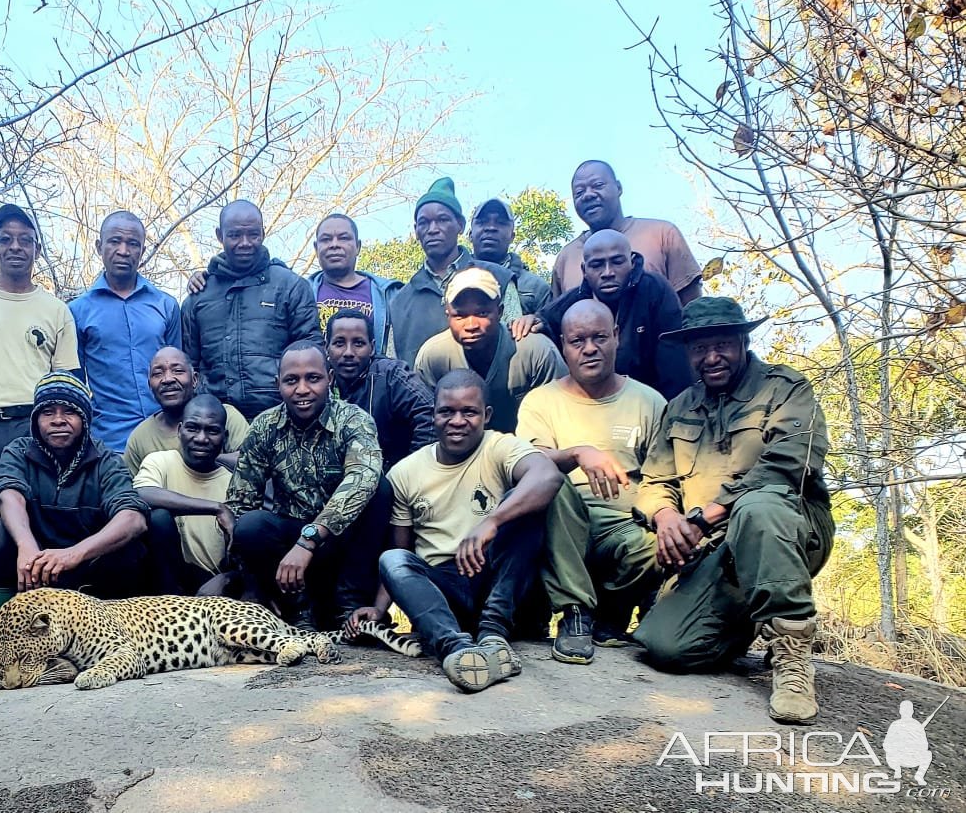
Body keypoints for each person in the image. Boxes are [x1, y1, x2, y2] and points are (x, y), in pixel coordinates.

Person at [633, 298, 833, 725]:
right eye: (699, 348)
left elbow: (790, 463)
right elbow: (654, 482)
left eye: (722, 344)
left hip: (789, 527)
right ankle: (745, 623)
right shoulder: (681, 406)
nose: (711, 357)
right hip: (716, 549)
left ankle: (793, 663)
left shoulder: (785, 388)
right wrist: (668, 519)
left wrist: (706, 514)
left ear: (743, 341)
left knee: (757, 507)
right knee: (665, 646)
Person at [350, 370, 565, 693]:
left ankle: (494, 635)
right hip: (445, 590)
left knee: (524, 510)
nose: (457, 420)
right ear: (433, 415)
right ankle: (457, 649)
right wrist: (379, 608)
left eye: (469, 412)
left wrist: (491, 522)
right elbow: (401, 554)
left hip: (495, 578)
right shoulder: (406, 472)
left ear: (486, 415)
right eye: (446, 411)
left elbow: (548, 475)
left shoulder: (499, 447)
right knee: (392, 558)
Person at [0, 372, 150, 680]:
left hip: (89, 579)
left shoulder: (106, 460)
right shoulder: (18, 451)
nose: (58, 420)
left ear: (85, 419)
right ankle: (1, 648)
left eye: (69, 412)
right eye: (48, 412)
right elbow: (8, 494)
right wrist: (26, 546)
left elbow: (134, 517)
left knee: (131, 543)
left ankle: (117, 644)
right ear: (35, 420)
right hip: (34, 572)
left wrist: (75, 553)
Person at [517, 300, 667, 663]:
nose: (589, 348)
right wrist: (578, 453)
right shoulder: (540, 402)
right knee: (549, 483)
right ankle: (575, 613)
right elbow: (525, 464)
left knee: (657, 543)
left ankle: (613, 612)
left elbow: (665, 476)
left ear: (616, 337)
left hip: (625, 520)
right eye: (577, 340)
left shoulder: (649, 402)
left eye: (599, 337)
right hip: (565, 520)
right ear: (564, 346)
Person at [226, 341, 388, 629]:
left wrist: (309, 539)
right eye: (292, 380)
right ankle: (297, 611)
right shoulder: (264, 427)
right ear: (278, 385)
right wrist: (249, 580)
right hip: (289, 554)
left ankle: (348, 606)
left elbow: (363, 478)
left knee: (379, 489)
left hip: (339, 545)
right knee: (251, 525)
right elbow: (240, 502)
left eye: (312, 378)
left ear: (330, 379)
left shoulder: (353, 420)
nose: (302, 389)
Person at [0, 203, 80, 535]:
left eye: (25, 240)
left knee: (36, 520)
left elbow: (67, 382)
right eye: (5, 239)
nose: (15, 247)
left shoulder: (56, 310)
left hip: (34, 428)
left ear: (36, 249)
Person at [180, 200, 320, 419]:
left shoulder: (291, 286)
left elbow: (313, 354)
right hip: (216, 424)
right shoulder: (199, 296)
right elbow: (189, 365)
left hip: (281, 417)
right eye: (235, 235)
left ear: (263, 233)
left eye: (253, 235)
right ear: (220, 235)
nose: (244, 243)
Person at [69, 211, 181, 453]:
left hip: (167, 438)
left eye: (133, 243)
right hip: (109, 441)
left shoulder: (166, 305)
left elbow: (181, 375)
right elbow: (75, 383)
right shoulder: (77, 311)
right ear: (99, 247)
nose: (123, 250)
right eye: (114, 241)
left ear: (141, 250)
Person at [537, 229, 693, 399]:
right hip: (590, 404)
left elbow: (675, 364)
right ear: (584, 270)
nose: (608, 273)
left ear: (632, 262)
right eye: (597, 265)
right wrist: (532, 322)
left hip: (651, 402)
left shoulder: (655, 290)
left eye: (617, 262)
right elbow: (543, 321)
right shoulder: (572, 302)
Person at [414, 267, 564, 433]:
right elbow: (426, 426)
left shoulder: (535, 350)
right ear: (447, 315)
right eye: (460, 316)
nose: (471, 325)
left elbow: (561, 416)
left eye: (482, 313)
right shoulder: (433, 356)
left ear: (500, 312)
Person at [388, 178, 521, 361]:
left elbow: (518, 347)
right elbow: (393, 367)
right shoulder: (400, 301)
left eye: (442, 220)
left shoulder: (499, 278)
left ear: (460, 225)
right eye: (424, 223)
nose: (433, 229)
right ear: (416, 231)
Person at [552, 160, 703, 305]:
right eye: (579, 192)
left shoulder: (661, 235)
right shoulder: (566, 257)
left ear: (618, 188)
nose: (588, 195)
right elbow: (554, 320)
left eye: (598, 185)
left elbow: (693, 309)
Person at [133, 394, 236, 595]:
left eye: (212, 431)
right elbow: (141, 494)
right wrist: (216, 508)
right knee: (158, 518)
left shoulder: (234, 480)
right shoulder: (161, 461)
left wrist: (228, 578)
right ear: (180, 430)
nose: (201, 438)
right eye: (193, 428)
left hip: (214, 582)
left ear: (225, 436)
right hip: (166, 578)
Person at [325, 308, 436, 468]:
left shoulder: (391, 376)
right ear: (326, 346)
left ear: (372, 347)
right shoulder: (316, 378)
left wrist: (411, 471)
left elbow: (430, 413)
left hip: (389, 479)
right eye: (339, 343)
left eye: (358, 343)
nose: (348, 352)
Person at [123, 346, 251, 475]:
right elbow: (131, 490)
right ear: (150, 385)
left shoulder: (226, 416)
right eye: (158, 373)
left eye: (177, 371)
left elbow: (253, 462)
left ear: (194, 379)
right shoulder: (140, 437)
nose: (167, 379)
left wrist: (206, 457)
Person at [306, 213, 403, 345]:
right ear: (316, 248)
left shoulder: (389, 295)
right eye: (326, 239)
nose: (334, 245)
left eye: (344, 238)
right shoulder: (300, 292)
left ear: (358, 246)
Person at [468, 198, 548, 316]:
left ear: (512, 236)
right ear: (470, 235)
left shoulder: (536, 287)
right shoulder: (451, 278)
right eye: (482, 222)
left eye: (501, 223)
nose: (491, 228)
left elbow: (549, 328)